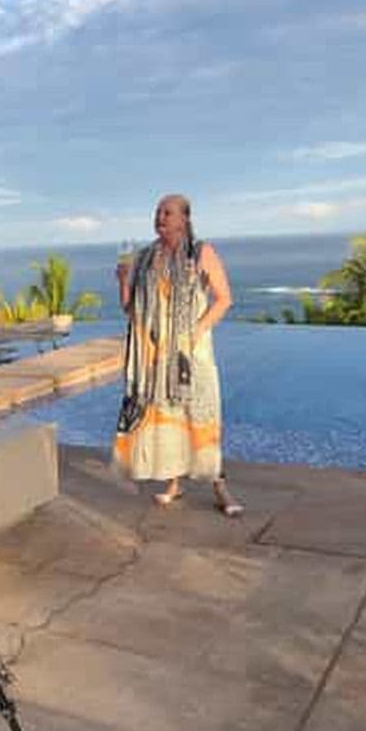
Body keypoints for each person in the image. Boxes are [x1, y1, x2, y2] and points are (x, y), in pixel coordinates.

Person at [112, 194, 244, 517]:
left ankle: (219, 486)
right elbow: (132, 311)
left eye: (168, 212)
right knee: (168, 419)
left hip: (191, 355)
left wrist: (195, 332)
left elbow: (224, 299)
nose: (160, 217)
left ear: (184, 219)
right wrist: (124, 281)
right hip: (156, 357)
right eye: (158, 212)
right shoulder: (145, 258)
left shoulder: (200, 253)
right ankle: (174, 483)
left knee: (200, 417)